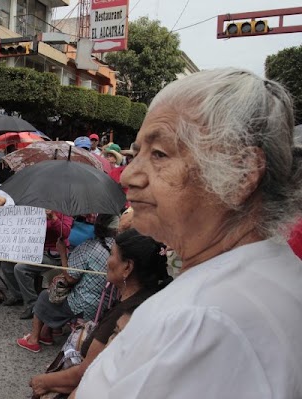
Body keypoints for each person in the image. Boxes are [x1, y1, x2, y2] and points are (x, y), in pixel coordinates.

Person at [75, 69, 302, 399]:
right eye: (137, 152)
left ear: (243, 173)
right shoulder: (277, 271)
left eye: (159, 153)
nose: (129, 175)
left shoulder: (202, 318)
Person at [28, 229, 172, 398]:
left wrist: (42, 381)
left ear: (127, 267)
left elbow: (88, 372)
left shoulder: (123, 315)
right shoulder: (149, 298)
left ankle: (35, 336)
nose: (107, 261)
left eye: (111, 255)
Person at [16, 214, 117, 353]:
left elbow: (70, 277)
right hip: (108, 304)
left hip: (86, 306)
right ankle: (46, 333)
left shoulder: (89, 247)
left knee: (46, 295)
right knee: (62, 288)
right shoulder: (119, 250)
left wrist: (63, 252)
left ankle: (33, 339)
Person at [1, 210, 73, 320]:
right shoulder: (35, 209)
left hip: (53, 253)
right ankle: (18, 295)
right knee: (6, 261)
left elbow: (66, 233)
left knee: (20, 268)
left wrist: (54, 218)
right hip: (32, 249)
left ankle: (33, 305)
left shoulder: (63, 211)